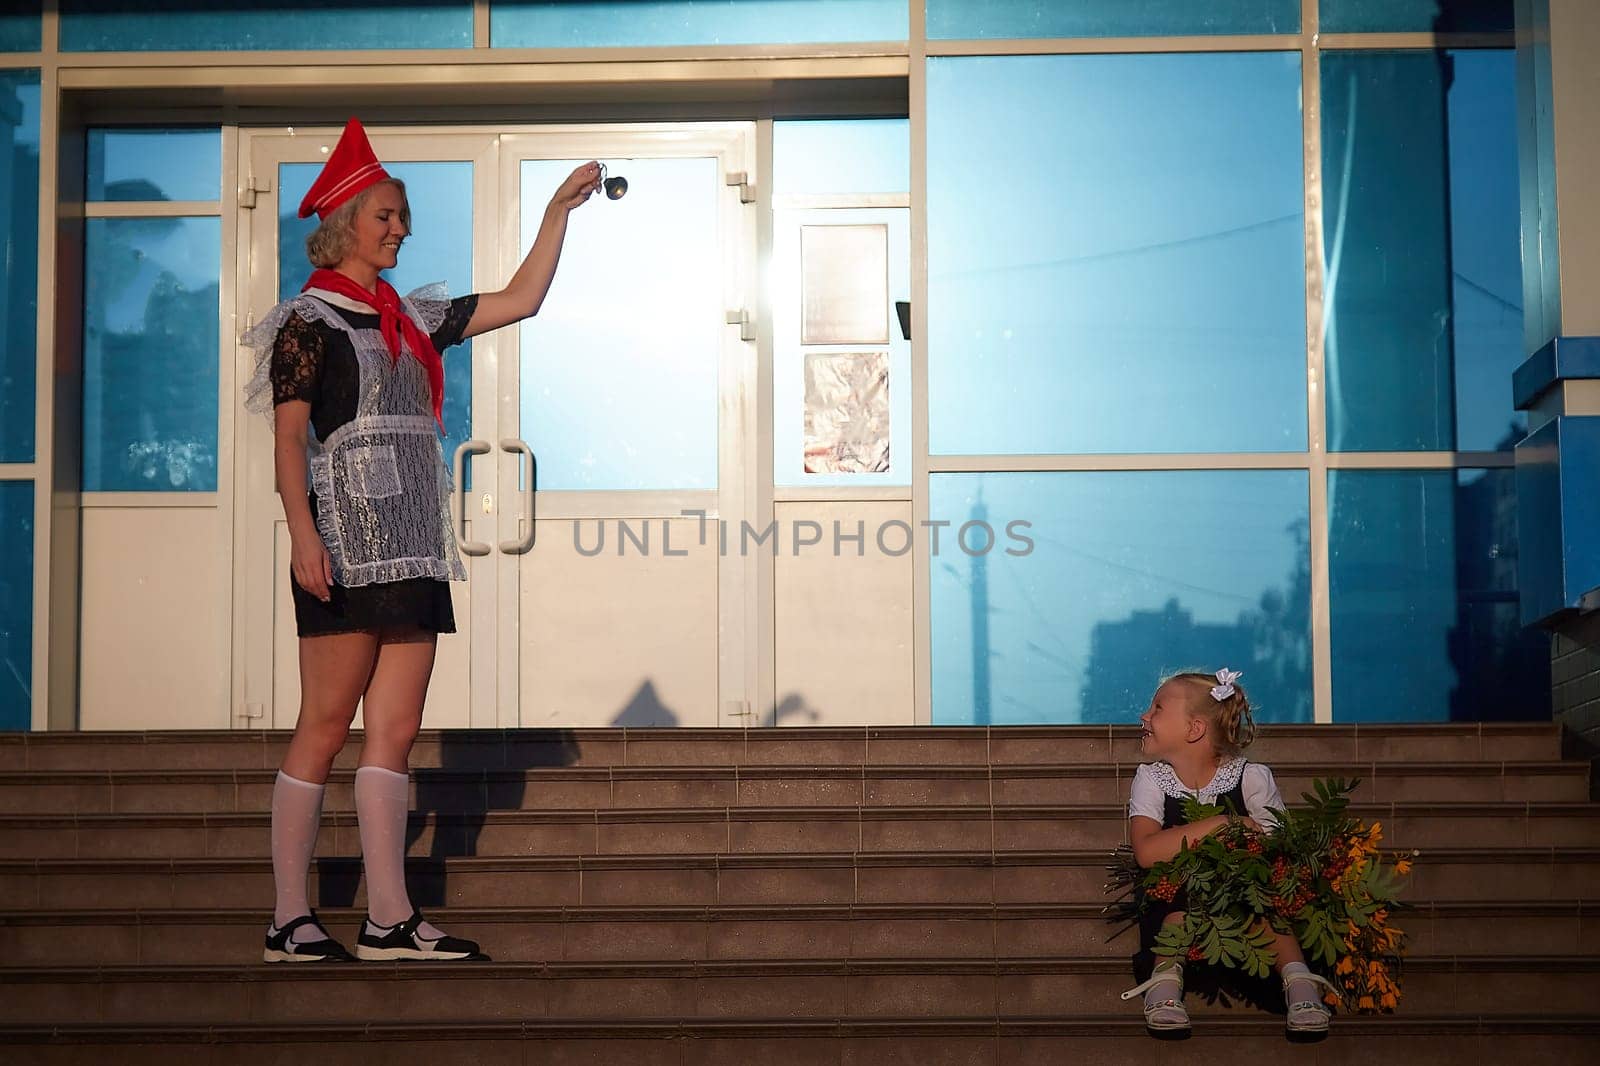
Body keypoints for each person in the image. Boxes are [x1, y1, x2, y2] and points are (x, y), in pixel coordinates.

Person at [241, 118, 600, 962]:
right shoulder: (308, 322)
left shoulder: (411, 316)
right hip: (340, 540)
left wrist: (557, 211)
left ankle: (387, 920)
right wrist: (302, 534)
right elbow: (289, 439)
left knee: (394, 730)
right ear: (344, 224)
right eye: (387, 216)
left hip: (411, 543)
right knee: (326, 724)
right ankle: (289, 917)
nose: (401, 228)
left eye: (402, 217)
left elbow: (521, 300)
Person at [1119, 668, 1336, 1036]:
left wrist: (1242, 855)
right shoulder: (1151, 779)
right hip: (1175, 907)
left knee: (1264, 892)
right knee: (1183, 891)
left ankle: (1300, 982)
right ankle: (1164, 981)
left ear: (1194, 729)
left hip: (1244, 915)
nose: (1144, 716)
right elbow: (1146, 851)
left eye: (1157, 708)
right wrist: (1223, 825)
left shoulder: (1251, 778)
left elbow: (1280, 853)